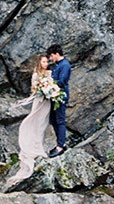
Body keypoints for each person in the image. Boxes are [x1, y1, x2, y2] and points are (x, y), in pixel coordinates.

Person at [10, 54, 57, 183]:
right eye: (43, 62)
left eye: (47, 62)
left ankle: (39, 147)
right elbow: (34, 89)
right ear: (39, 63)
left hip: (46, 102)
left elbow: (53, 86)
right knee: (35, 123)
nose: (46, 64)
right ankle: (32, 148)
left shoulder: (49, 73)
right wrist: (42, 88)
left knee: (42, 125)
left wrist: (51, 90)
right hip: (39, 101)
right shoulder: (36, 75)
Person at [47, 45, 71, 153]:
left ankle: (60, 146)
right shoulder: (58, 65)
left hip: (60, 96)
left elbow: (62, 81)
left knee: (60, 120)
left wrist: (52, 87)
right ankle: (61, 143)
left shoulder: (65, 65)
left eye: (51, 56)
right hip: (54, 96)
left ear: (57, 54)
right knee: (53, 119)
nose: (51, 59)